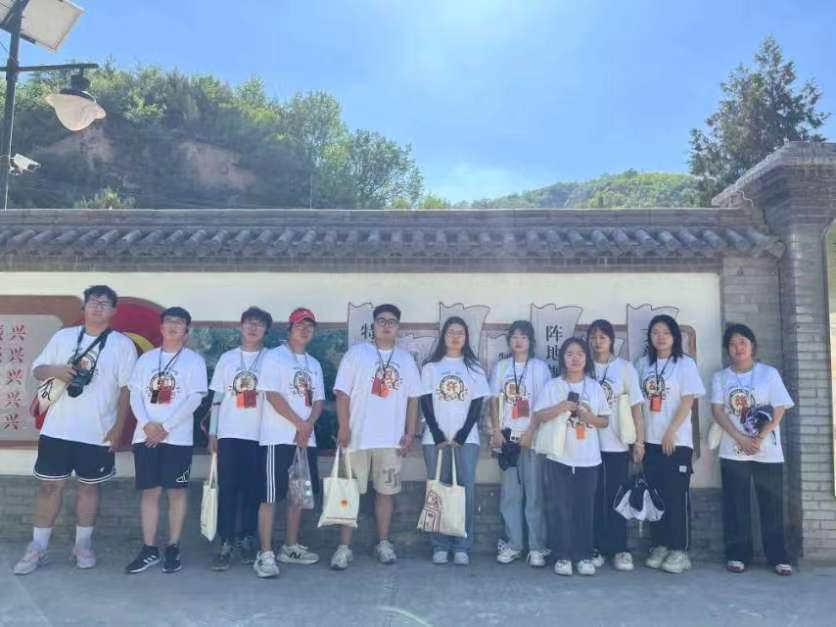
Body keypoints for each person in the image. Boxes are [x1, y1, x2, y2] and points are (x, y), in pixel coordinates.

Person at [14, 285, 137, 575]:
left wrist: (118, 428)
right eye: (93, 301)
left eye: (104, 303)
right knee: (49, 487)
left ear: (113, 311)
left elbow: (126, 389)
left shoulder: (122, 345)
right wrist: (56, 371)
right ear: (84, 307)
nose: (98, 306)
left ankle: (83, 545)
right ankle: (37, 547)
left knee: (89, 488)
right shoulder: (64, 337)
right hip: (57, 429)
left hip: (97, 431)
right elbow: (38, 370)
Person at [331, 304, 421, 570]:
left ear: (398, 327)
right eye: (381, 321)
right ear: (373, 325)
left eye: (392, 321)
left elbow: (413, 399)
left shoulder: (405, 359)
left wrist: (410, 432)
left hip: (391, 439)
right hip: (356, 437)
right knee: (349, 493)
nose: (386, 325)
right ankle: (344, 548)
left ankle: (383, 543)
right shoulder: (356, 354)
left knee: (386, 493)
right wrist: (343, 427)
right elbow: (342, 394)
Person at [125, 307, 208, 574]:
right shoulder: (147, 359)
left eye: (179, 322)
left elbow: (195, 398)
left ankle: (173, 546)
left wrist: (165, 427)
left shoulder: (194, 361)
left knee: (176, 492)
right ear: (161, 328)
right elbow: (135, 394)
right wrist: (147, 425)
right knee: (150, 491)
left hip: (177, 439)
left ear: (186, 331)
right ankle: (149, 549)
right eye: (169, 321)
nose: (173, 326)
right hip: (146, 436)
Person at [711, 323, 794, 576]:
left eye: (742, 342)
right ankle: (738, 555)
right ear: (727, 349)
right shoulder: (721, 377)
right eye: (732, 344)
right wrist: (740, 438)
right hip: (732, 449)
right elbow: (718, 411)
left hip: (767, 450)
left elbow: (779, 408)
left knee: (772, 504)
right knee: (736, 505)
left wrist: (759, 437)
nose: (738, 348)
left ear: (752, 345)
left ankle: (777, 556)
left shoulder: (768, 374)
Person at [252, 307, 325, 578]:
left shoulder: (314, 363)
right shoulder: (275, 357)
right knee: (270, 496)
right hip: (278, 438)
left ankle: (290, 547)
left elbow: (318, 400)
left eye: (309, 326)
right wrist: (299, 424)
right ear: (289, 328)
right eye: (299, 325)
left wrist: (308, 425)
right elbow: (272, 395)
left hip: (305, 439)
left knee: (298, 495)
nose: (304, 330)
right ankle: (265, 553)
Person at [528, 338, 610, 576]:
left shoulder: (594, 387)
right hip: (559, 457)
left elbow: (604, 421)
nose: (575, 358)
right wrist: (562, 406)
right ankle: (562, 556)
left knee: (585, 509)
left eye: (580, 354)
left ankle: (583, 556)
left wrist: (589, 418)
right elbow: (539, 416)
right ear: (562, 358)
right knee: (559, 507)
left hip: (588, 458)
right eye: (570, 354)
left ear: (586, 359)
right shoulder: (553, 386)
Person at [637, 314, 705, 574]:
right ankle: (661, 545)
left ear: (675, 336)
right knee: (655, 496)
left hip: (676, 442)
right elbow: (636, 404)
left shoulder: (684, 364)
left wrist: (671, 432)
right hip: (650, 442)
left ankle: (680, 550)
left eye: (666, 332)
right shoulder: (643, 364)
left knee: (675, 496)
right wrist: (640, 440)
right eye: (656, 332)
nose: (661, 337)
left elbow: (688, 401)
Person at [207, 307, 272, 571]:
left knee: (253, 491)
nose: (253, 328)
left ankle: (247, 538)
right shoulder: (228, 358)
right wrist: (213, 432)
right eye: (249, 323)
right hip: (229, 433)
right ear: (241, 326)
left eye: (259, 324)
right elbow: (217, 398)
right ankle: (226, 542)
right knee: (228, 490)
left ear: (266, 330)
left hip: (260, 435)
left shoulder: (272, 359)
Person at [421, 316, 490, 566]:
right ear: (443, 336)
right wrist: (437, 433)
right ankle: (439, 545)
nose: (455, 337)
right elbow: (425, 400)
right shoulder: (431, 367)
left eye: (460, 332)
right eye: (451, 332)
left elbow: (478, 403)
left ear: (466, 337)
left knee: (465, 491)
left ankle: (462, 545)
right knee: (437, 490)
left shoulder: (474, 368)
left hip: (466, 440)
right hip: (434, 439)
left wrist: (462, 434)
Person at [489, 320, 551, 567]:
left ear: (531, 341)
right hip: (507, 439)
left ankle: (537, 547)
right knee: (510, 495)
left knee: (534, 494)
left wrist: (531, 431)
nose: (518, 341)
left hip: (532, 439)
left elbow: (544, 405)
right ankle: (514, 544)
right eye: (514, 336)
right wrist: (496, 431)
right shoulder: (502, 367)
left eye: (523, 337)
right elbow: (494, 401)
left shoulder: (539, 368)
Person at [586, 319, 645, 572]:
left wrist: (639, 441)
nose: (597, 342)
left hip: (617, 444)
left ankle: (620, 549)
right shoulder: (583, 367)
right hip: (587, 445)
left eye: (602, 337)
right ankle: (597, 547)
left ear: (611, 340)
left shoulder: (624, 368)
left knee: (618, 497)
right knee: (594, 498)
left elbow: (636, 408)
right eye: (593, 337)